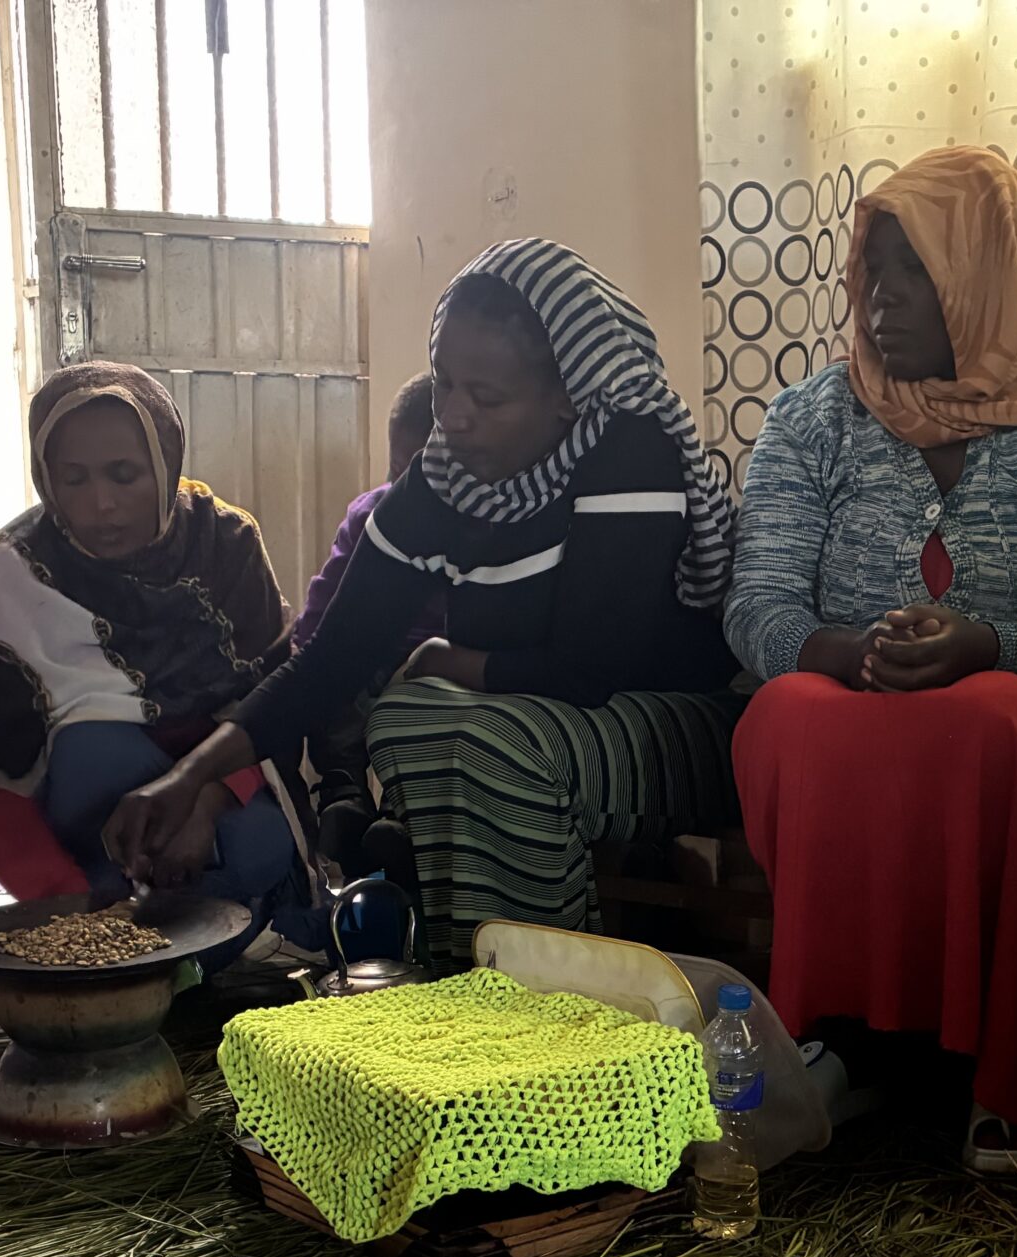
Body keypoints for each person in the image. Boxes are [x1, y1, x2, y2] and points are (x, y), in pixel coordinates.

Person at [104, 238, 743, 964]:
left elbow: (589, 669)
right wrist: (190, 776)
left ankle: (532, 987)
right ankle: (481, 969)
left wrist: (451, 656)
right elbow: (328, 664)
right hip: (529, 724)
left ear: (568, 395)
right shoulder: (444, 477)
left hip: (677, 728)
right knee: (413, 713)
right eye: (444, 384)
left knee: (479, 736)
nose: (455, 416)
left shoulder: (631, 447)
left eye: (487, 397)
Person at [725, 145, 1017, 1176]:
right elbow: (757, 604)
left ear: (988, 276)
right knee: (785, 711)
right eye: (871, 268)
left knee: (1000, 719)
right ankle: (833, 1040)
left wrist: (985, 646)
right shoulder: (812, 415)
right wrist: (845, 653)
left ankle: (1009, 1078)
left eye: (915, 268)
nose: (880, 297)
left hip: (999, 694)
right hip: (843, 687)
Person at [0, 362, 355, 942]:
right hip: (89, 845)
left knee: (257, 845)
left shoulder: (225, 545)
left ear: (165, 465)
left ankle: (216, 924)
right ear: (45, 479)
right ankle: (136, 923)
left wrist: (207, 802)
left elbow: (273, 709)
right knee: (94, 752)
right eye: (74, 480)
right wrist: (71, 915)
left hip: (217, 803)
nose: (102, 503)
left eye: (125, 475)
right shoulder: (12, 579)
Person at [289, 373, 439, 886]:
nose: (406, 491)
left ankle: (396, 812)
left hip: (428, 673)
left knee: (421, 716)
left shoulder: (476, 529)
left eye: (423, 477)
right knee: (329, 684)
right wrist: (305, 654)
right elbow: (321, 613)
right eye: (397, 472)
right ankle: (345, 794)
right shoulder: (369, 515)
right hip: (366, 656)